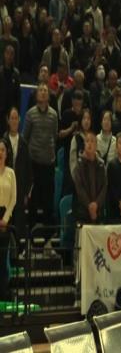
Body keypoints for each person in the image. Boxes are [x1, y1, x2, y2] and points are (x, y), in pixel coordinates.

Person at [23, 83, 58, 226]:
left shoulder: (54, 114)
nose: (43, 92)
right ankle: (31, 230)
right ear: (37, 95)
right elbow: (25, 138)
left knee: (48, 199)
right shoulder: (30, 114)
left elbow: (54, 136)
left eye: (45, 90)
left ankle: (47, 231)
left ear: (48, 95)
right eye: (40, 90)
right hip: (34, 164)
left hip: (49, 163)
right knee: (34, 199)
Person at [3, 107, 32, 238]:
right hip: (5, 191)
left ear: (19, 120)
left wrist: (26, 193)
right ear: (7, 120)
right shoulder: (3, 143)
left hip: (20, 191)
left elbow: (29, 171)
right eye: (12, 118)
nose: (14, 121)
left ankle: (18, 248)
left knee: (19, 226)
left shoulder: (24, 144)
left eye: (16, 118)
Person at [72, 131, 107, 224]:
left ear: (96, 145)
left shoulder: (101, 164)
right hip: (82, 212)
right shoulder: (79, 164)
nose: (90, 144)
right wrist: (89, 205)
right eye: (87, 141)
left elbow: (104, 186)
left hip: (98, 211)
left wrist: (96, 204)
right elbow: (79, 188)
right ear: (84, 145)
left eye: (92, 141)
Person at [0, 138, 16, 300]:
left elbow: (14, 198)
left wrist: (5, 218)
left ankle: (4, 291)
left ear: (6, 153)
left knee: (3, 257)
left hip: (5, 217)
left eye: (2, 150)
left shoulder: (11, 173)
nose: (0, 153)